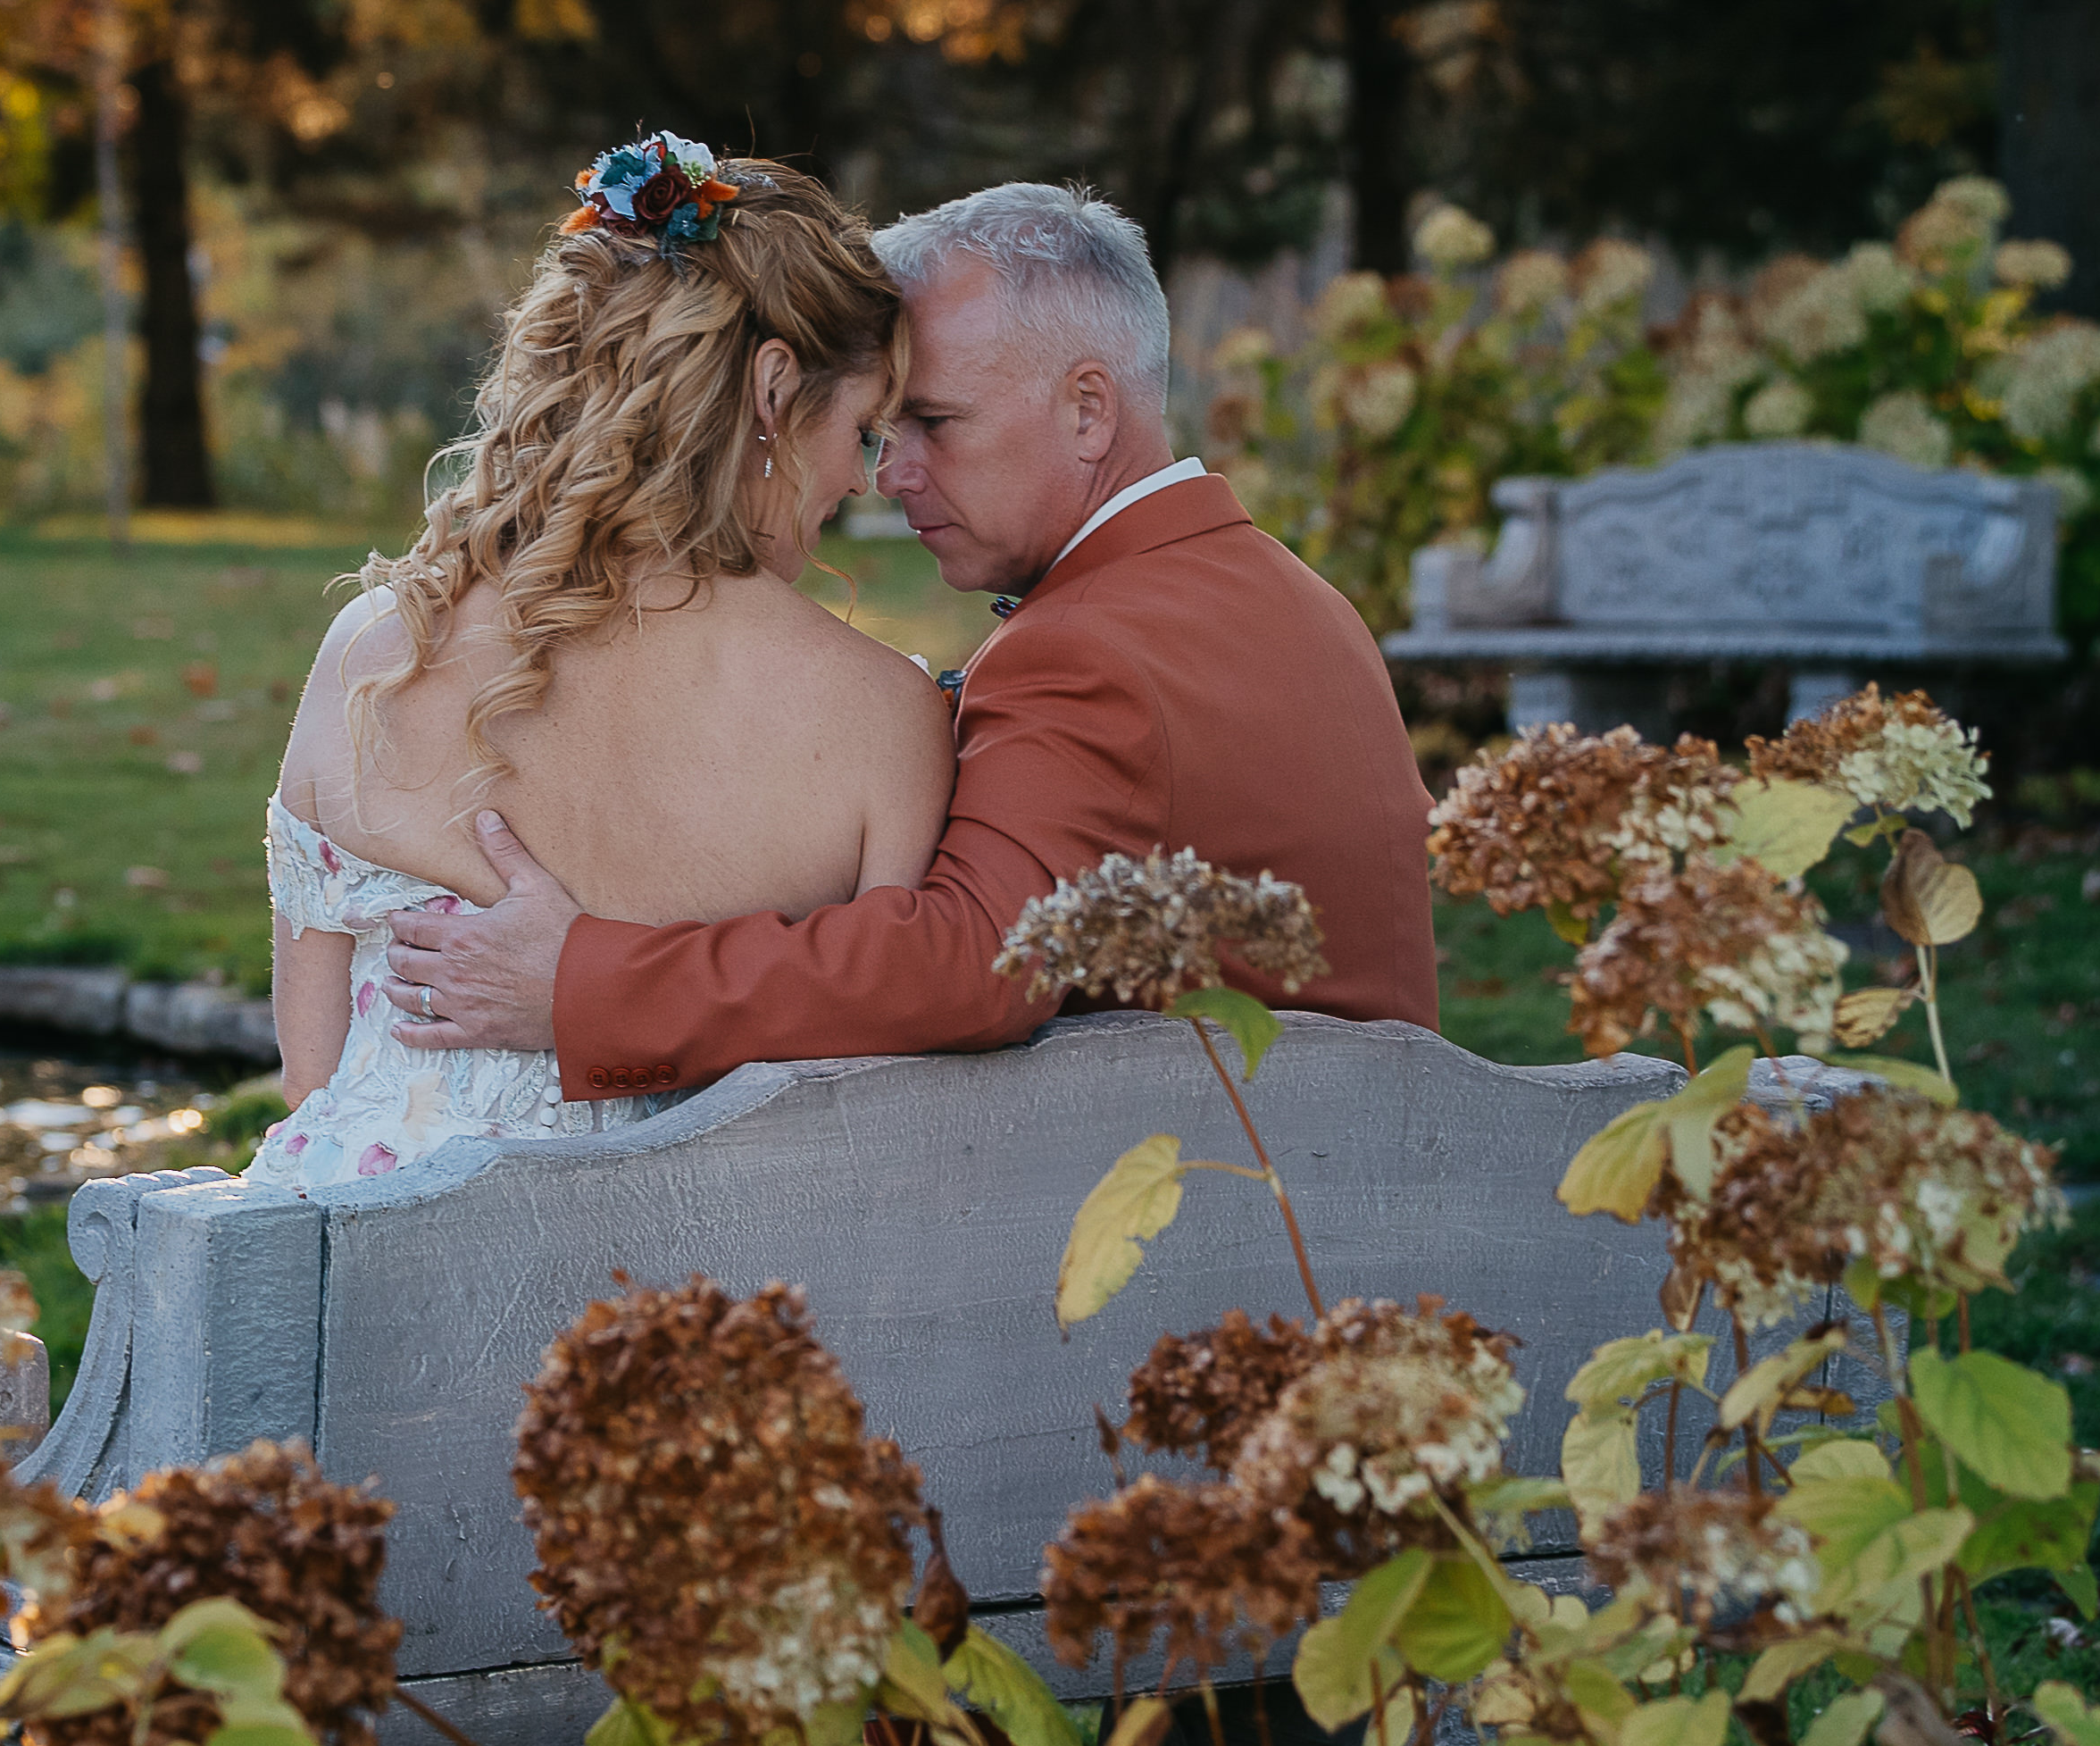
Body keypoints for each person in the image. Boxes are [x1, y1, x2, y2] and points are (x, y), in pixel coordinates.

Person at [383, 179, 1438, 1095]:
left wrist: (583, 978)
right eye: (883, 431)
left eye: (935, 423)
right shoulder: (1289, 594)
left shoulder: (1088, 649)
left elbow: (970, 961)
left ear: (1088, 411)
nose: (891, 475)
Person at [245, 132, 948, 1186]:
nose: (865, 480)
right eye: (862, 431)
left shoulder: (378, 651)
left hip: (338, 1270)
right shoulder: (883, 719)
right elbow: (879, 1079)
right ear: (771, 389)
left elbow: (312, 1074)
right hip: (692, 1302)